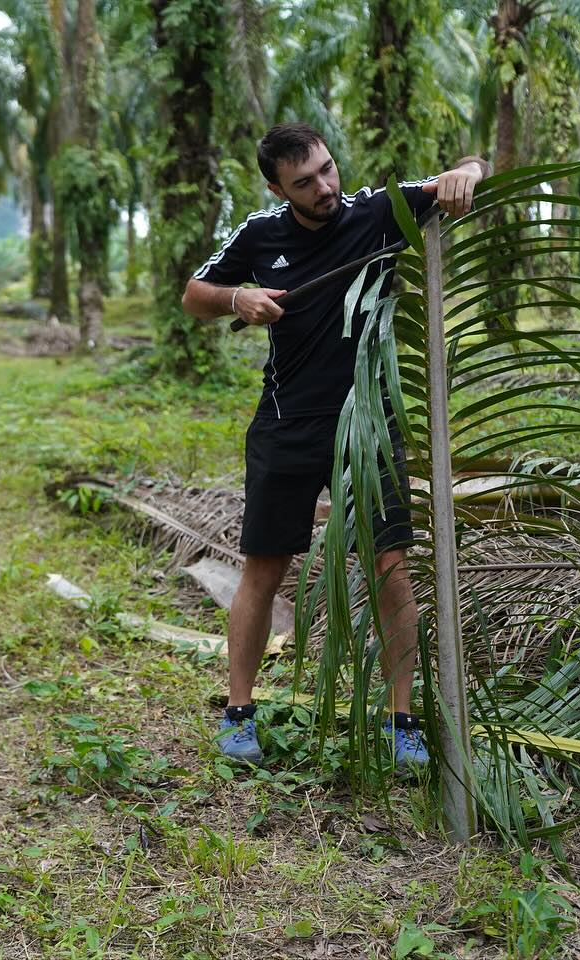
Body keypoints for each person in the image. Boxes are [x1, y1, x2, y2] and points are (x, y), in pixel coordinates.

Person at [181, 123, 489, 772]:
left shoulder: (378, 212)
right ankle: (239, 712)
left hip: (370, 424)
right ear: (277, 190)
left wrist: (467, 173)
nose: (325, 187)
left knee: (389, 567)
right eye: (304, 182)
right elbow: (194, 295)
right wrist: (238, 297)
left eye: (327, 169)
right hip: (286, 426)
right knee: (264, 569)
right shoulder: (259, 234)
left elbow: (466, 167)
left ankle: (401, 721)